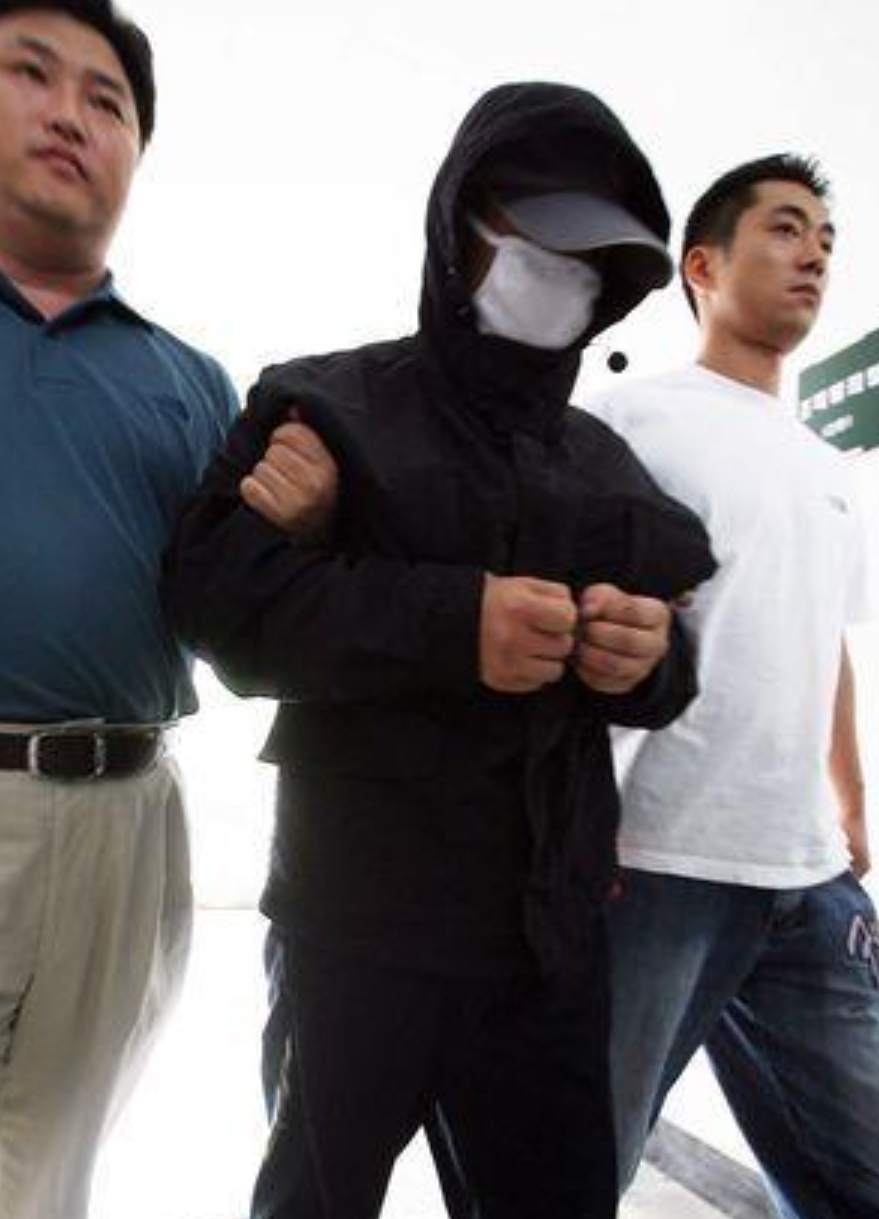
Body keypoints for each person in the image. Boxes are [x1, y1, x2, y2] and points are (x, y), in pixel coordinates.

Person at [163, 82, 716, 1219]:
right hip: (355, 934)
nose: (558, 276)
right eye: (534, 240)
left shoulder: (608, 469)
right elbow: (215, 605)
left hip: (550, 948)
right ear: (456, 226)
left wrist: (648, 657)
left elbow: (674, 666)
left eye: (589, 262)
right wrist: (452, 623)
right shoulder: (323, 406)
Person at [0, 3, 325, 1216]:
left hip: (128, 823)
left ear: (137, 149)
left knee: (53, 1172)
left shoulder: (189, 382)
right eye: (31, 74)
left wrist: (295, 534)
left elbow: (233, 633)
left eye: (106, 100)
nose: (69, 115)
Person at [582, 155, 879, 1219]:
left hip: (805, 874)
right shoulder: (627, 419)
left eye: (826, 241)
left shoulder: (824, 463)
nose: (814, 256)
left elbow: (821, 639)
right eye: (785, 229)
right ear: (701, 266)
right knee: (573, 1172)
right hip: (654, 863)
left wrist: (851, 803)